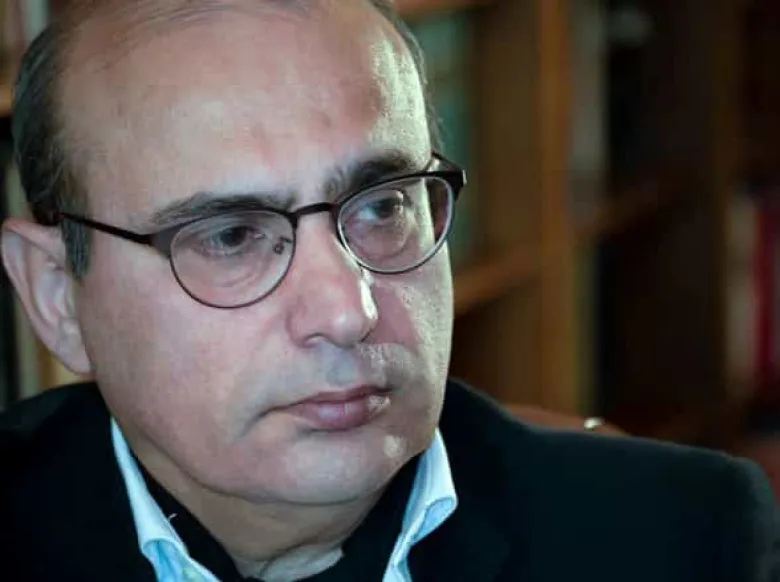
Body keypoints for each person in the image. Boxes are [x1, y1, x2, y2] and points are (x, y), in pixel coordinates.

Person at [0, 1, 777, 581]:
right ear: (57, 296)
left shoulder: (685, 540)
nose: (350, 311)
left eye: (380, 208)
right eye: (231, 236)